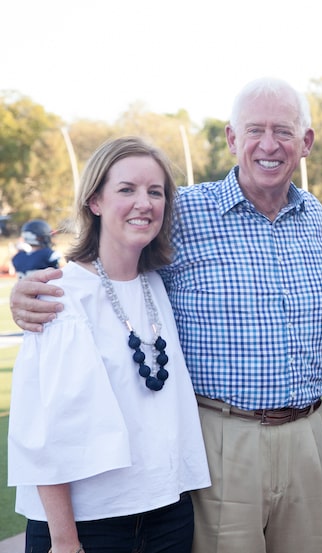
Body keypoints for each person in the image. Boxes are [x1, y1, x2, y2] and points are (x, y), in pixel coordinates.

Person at [10, 78, 322, 553]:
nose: (270, 144)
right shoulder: (186, 215)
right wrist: (39, 290)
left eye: (284, 131)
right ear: (231, 139)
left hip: (310, 432)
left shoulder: (320, 224)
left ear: (305, 142)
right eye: (255, 130)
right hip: (224, 435)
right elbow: (117, 251)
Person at [7, 136, 210, 553]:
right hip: (89, 526)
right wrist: (66, 542)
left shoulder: (158, 285)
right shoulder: (59, 297)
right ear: (95, 201)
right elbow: (40, 432)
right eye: (127, 189)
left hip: (168, 513)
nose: (144, 202)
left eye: (155, 192)